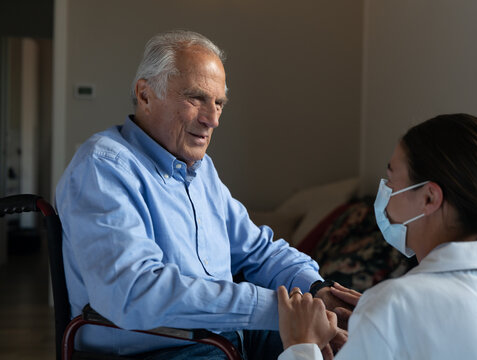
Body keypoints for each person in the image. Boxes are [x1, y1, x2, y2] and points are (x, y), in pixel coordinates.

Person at [55, 30, 349, 359]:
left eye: (219, 103)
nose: (212, 119)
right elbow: (133, 292)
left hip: (223, 340)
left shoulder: (200, 169)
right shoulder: (103, 167)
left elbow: (258, 251)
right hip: (160, 351)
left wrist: (315, 291)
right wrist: (283, 310)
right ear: (145, 94)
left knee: (342, 347)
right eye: (196, 98)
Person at [277, 113, 477, 359]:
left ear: (429, 197)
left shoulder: (396, 304)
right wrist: (375, 328)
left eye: (391, 180)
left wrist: (301, 345)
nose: (385, 192)